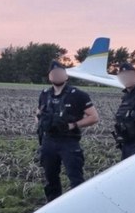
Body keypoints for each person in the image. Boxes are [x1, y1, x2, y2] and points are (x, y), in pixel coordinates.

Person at [36, 61, 99, 202]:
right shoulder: (45, 94)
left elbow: (94, 117)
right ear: (49, 76)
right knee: (50, 178)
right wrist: (43, 123)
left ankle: (79, 205)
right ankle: (53, 205)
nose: (56, 75)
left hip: (68, 142)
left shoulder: (78, 95)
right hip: (48, 142)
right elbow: (38, 113)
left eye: (60, 73)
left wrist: (73, 125)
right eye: (53, 73)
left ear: (66, 76)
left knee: (75, 178)